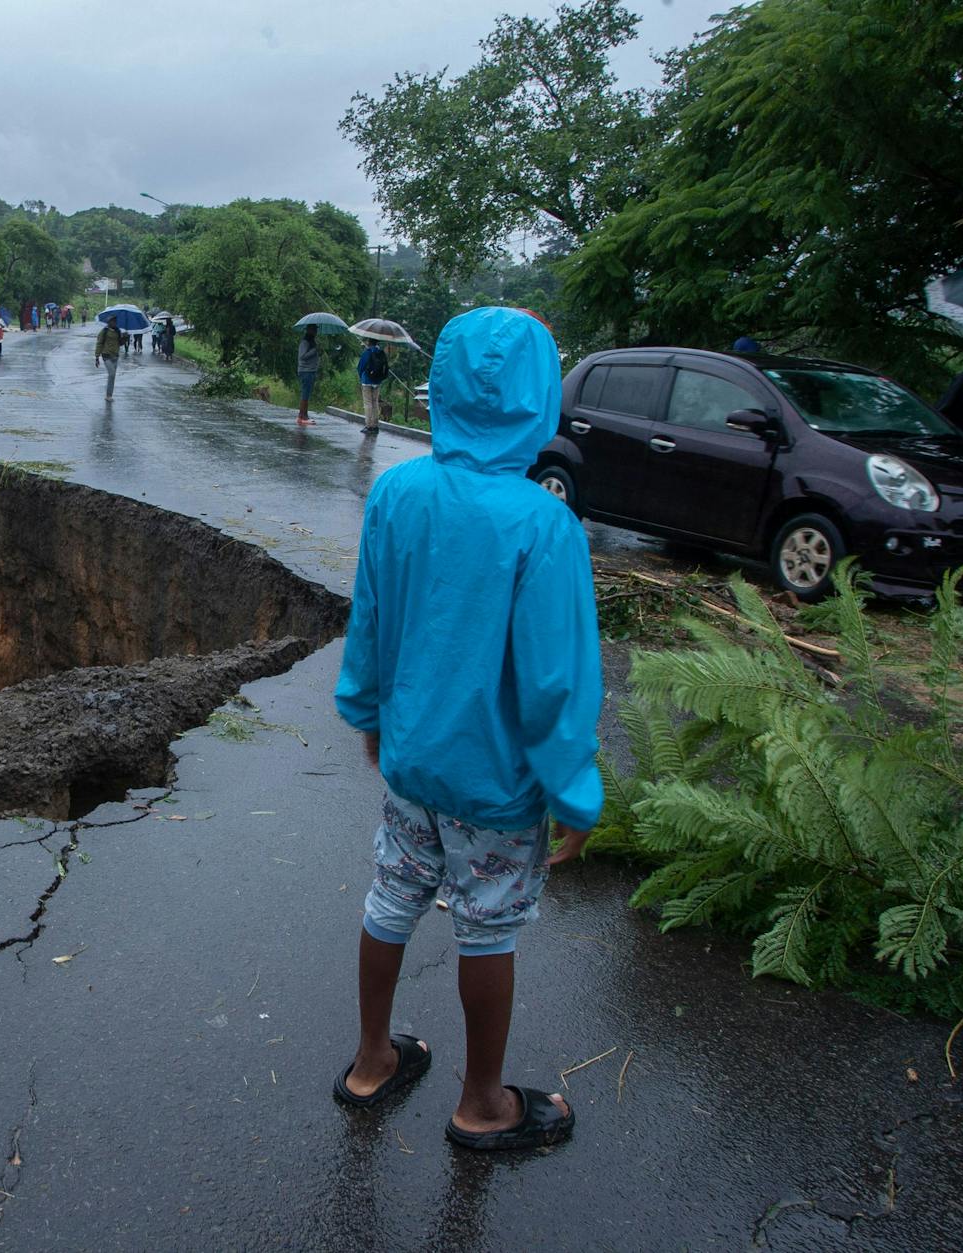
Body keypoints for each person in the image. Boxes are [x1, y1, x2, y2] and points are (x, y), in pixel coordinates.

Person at [332, 306, 599, 1153]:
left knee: (391, 898)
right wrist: (574, 792)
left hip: (412, 762)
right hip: (497, 782)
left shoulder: (397, 492)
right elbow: (555, 682)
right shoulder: (542, 524)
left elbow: (370, 620)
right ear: (537, 396)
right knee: (486, 924)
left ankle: (373, 1060)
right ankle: (482, 1103)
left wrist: (370, 716)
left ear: (440, 383)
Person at [357, 339, 390, 432]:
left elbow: (360, 367)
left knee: (368, 403)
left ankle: (368, 425)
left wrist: (361, 376)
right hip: (377, 382)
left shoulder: (367, 352)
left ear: (368, 342)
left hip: (366, 381)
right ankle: (375, 426)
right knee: (375, 403)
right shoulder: (381, 353)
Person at [296, 325, 322, 426]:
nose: (316, 332)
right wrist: (314, 350)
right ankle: (302, 416)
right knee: (305, 393)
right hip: (305, 371)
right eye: (314, 330)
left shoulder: (311, 342)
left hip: (310, 370)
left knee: (307, 392)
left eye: (316, 330)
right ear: (309, 330)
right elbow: (302, 356)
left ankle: (303, 414)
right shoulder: (305, 342)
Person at [95, 318, 124, 400]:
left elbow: (120, 343)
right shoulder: (104, 331)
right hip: (106, 355)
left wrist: (125, 337)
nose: (114, 323)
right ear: (108, 322)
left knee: (113, 376)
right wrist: (97, 356)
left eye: (115, 321)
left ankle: (109, 394)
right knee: (111, 374)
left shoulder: (118, 331)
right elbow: (99, 343)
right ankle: (108, 395)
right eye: (112, 322)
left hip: (115, 356)